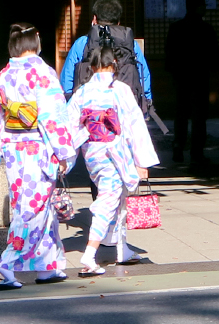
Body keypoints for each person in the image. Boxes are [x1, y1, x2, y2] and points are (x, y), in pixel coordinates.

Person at [0, 22, 75, 290]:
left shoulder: (4, 75)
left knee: (38, 207)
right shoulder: (43, 73)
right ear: (36, 42)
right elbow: (52, 117)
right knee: (32, 210)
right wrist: (62, 150)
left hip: (14, 151)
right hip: (38, 149)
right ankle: (8, 264)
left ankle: (47, 266)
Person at [66, 41, 159, 276]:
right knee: (108, 201)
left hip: (93, 153)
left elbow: (69, 127)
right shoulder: (120, 90)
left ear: (92, 67)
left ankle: (121, 248)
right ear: (114, 64)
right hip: (115, 152)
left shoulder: (82, 92)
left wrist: (67, 156)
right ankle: (89, 254)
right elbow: (134, 125)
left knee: (118, 199)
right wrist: (141, 161)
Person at [62, 0, 154, 110]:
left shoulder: (82, 43)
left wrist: (71, 105)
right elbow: (143, 76)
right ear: (118, 22)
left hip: (89, 110)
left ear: (94, 19)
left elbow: (67, 80)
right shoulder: (131, 45)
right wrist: (146, 103)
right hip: (124, 107)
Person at [164, 0, 219, 171]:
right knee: (199, 116)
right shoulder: (206, 29)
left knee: (181, 113)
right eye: (203, 5)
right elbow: (214, 54)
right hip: (199, 77)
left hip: (181, 76)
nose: (205, 8)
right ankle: (196, 152)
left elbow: (169, 54)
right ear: (197, 7)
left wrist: (173, 72)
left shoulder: (176, 28)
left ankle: (178, 145)